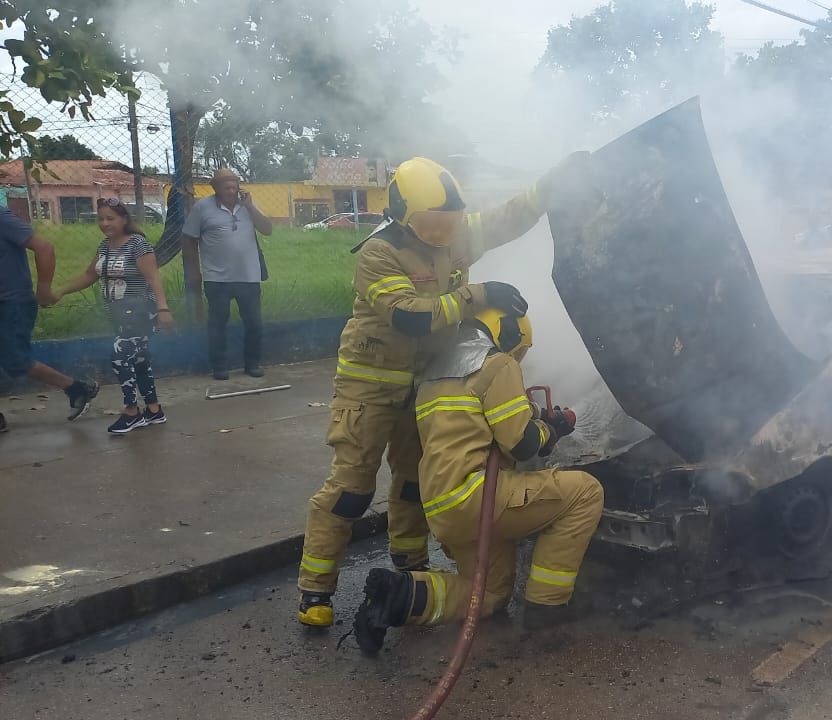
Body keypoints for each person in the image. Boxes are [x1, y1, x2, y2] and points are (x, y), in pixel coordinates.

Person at [295, 154, 587, 628]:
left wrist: (547, 188)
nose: (443, 232)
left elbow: (505, 219)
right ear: (404, 215)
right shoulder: (380, 253)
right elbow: (410, 315)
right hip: (369, 388)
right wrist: (478, 294)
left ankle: (409, 566)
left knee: (414, 482)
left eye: (449, 221)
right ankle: (315, 590)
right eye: (432, 223)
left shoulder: (453, 233)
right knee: (351, 489)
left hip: (424, 383)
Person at [352, 308, 601, 653]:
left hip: (443, 506)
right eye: (519, 351)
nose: (518, 359)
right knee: (586, 492)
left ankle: (398, 596)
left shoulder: (434, 373)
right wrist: (551, 429)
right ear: (508, 333)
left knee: (487, 594)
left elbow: (482, 418)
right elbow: (522, 443)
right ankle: (547, 605)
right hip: (479, 495)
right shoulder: (497, 364)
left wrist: (541, 416)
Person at [52, 199, 173, 434]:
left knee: (119, 357)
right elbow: (90, 275)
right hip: (118, 315)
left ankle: (131, 413)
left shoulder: (138, 244)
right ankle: (154, 410)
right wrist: (60, 292)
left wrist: (163, 309)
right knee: (139, 361)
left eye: (110, 218)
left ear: (124, 219)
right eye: (101, 219)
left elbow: (153, 278)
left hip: (139, 312)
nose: (105, 223)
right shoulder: (105, 246)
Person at [0, 207, 100, 433]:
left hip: (12, 302)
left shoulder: (3, 219)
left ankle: (77, 388)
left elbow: (45, 248)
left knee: (16, 359)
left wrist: (43, 289)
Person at [181, 168, 273, 380]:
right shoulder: (202, 208)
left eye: (235, 186)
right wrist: (194, 271)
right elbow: (188, 239)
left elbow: (267, 229)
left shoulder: (247, 205)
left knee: (254, 323)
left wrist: (249, 206)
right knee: (217, 324)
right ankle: (219, 366)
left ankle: (252, 363)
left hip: (249, 275)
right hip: (217, 277)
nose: (232, 191)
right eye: (227, 187)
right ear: (216, 189)